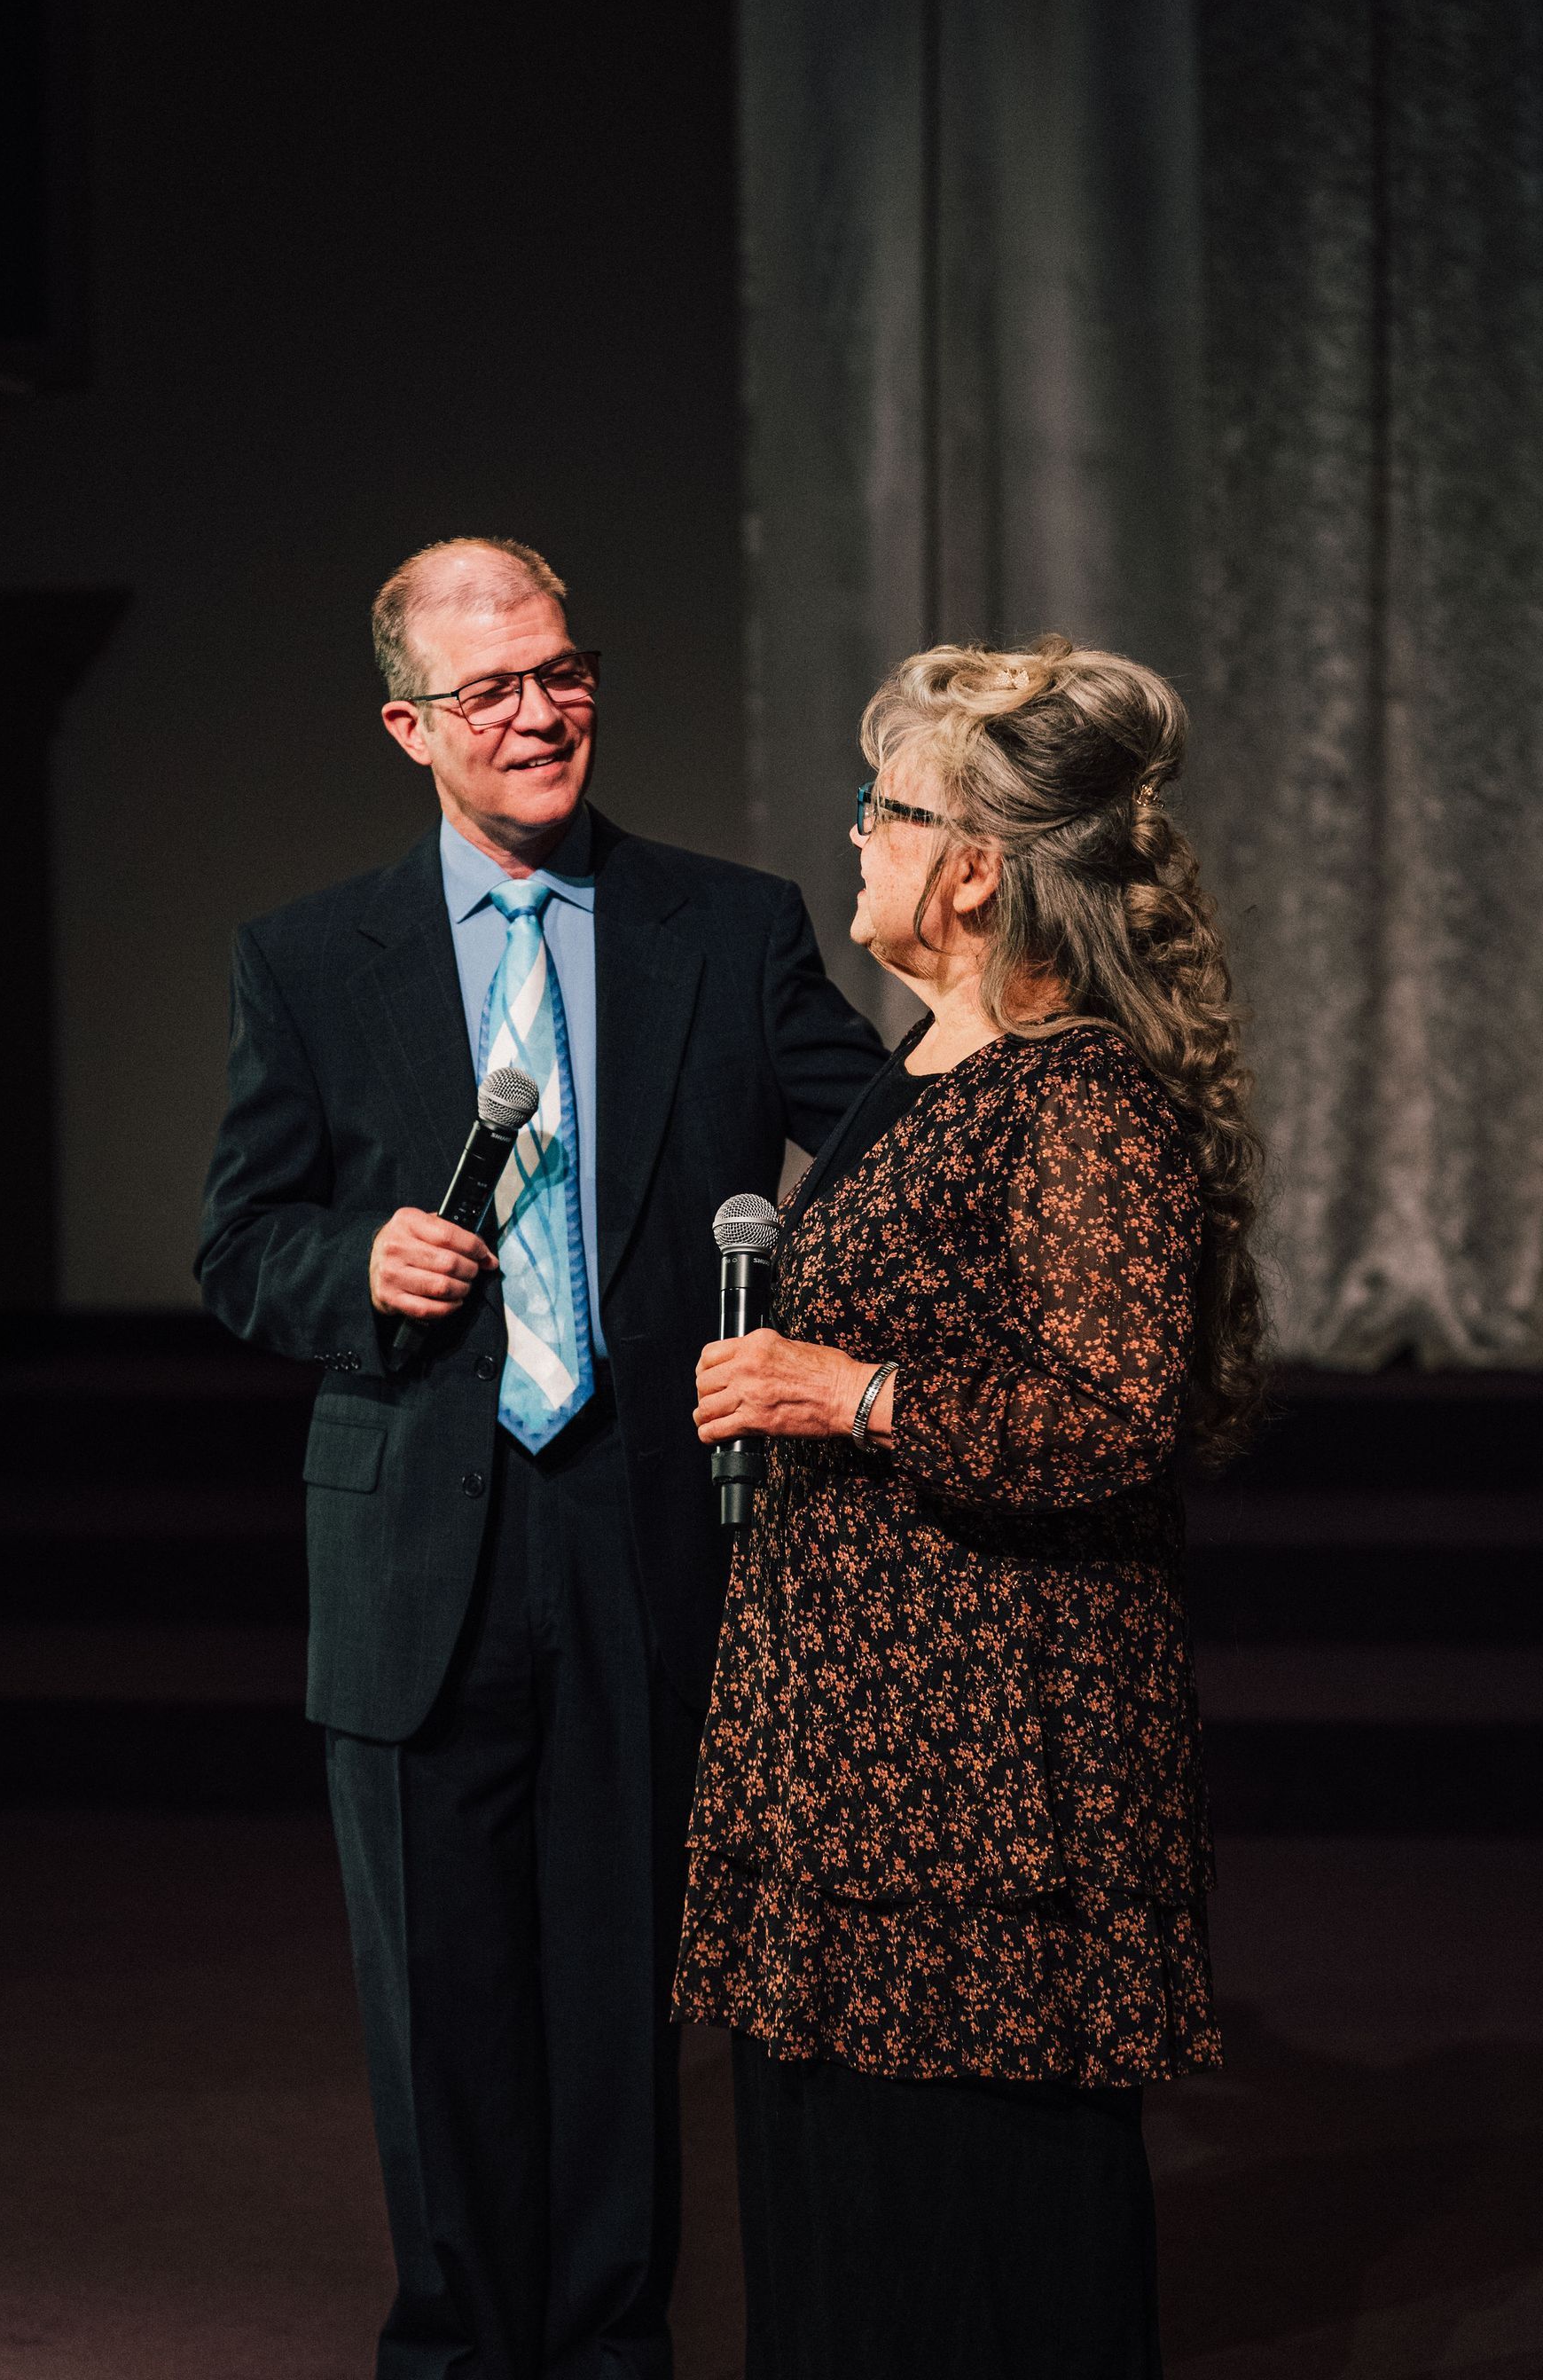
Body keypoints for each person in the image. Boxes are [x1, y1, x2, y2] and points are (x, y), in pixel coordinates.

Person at [196, 537, 884, 2380]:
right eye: (490, 690)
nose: (538, 712)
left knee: (619, 2007)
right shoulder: (311, 958)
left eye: (561, 673)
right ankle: (456, 2351)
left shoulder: (726, 928)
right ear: (408, 725)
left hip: (650, 1533)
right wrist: (354, 1265)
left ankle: (609, 2350)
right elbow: (239, 1243)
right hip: (423, 1539)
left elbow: (899, 1147)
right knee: (442, 2005)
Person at [677, 635, 1266, 2377]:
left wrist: (841, 1391)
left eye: (884, 808)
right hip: (850, 1746)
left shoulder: (1081, 1098)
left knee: (965, 2235)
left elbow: (1108, 1415)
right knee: (840, 2220)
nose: (852, 838)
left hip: (982, 1770)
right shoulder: (916, 1081)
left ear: (976, 868)